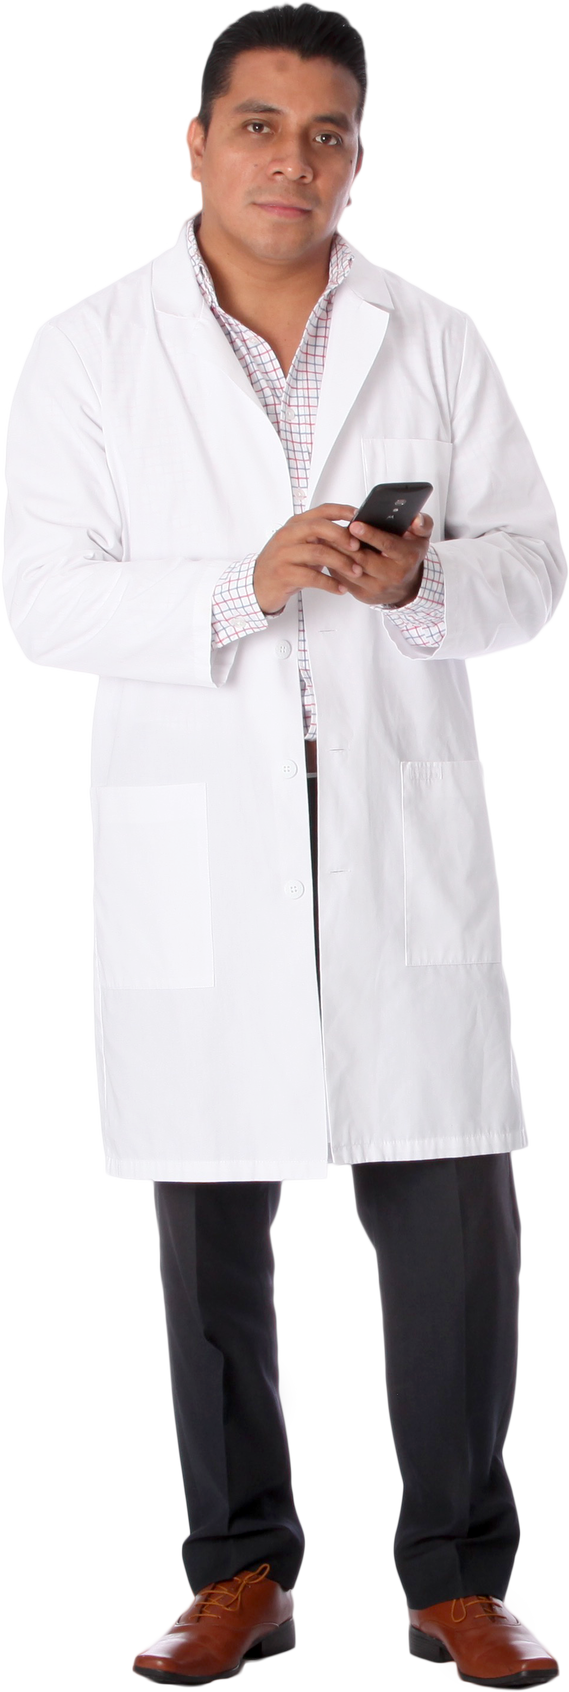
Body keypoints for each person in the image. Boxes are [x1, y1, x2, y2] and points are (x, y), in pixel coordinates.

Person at [1, 5, 566, 1688]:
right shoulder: (87, 350)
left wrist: (425, 580)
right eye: (259, 126)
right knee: (208, 1220)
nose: (293, 162)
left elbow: (537, 569)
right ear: (194, 144)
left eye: (329, 134)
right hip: (204, 830)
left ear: (361, 156)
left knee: (450, 1206)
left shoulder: (436, 338)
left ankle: (462, 1577)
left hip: (392, 823)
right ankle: (238, 1568)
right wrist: (242, 586)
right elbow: (42, 605)